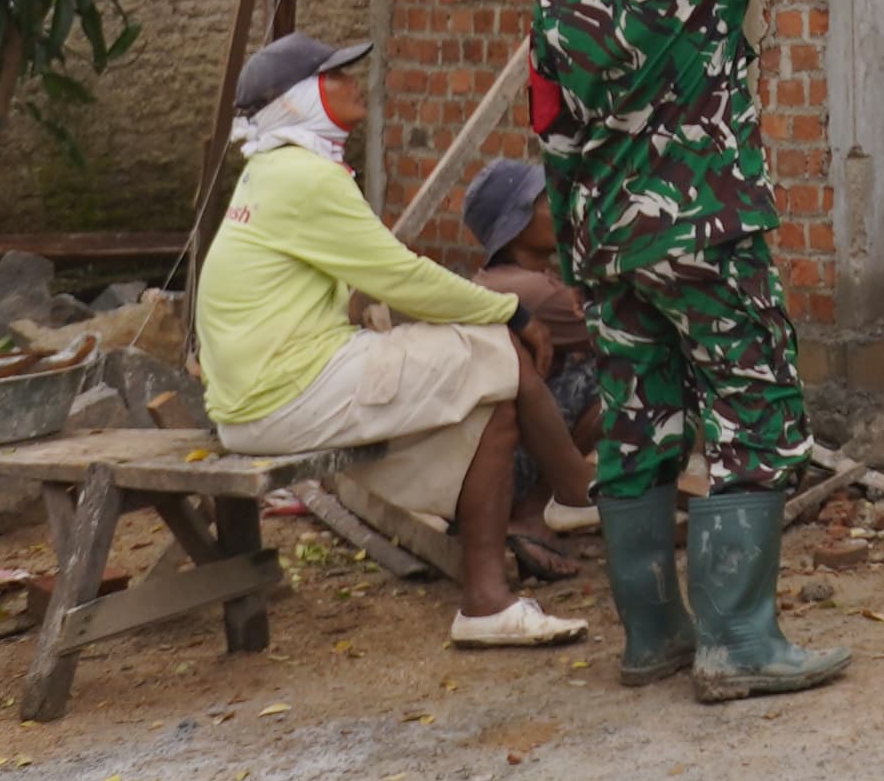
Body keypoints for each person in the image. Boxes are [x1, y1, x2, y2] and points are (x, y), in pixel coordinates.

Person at [534, 0, 884, 701]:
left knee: (638, 426)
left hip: (609, 247)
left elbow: (554, 135)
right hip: (704, 235)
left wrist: (577, 253)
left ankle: (652, 636)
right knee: (754, 417)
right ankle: (738, 641)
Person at [198, 34, 595, 648]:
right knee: (495, 344)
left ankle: (488, 602)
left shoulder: (273, 172)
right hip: (284, 393)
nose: (354, 83)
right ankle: (572, 491)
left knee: (490, 402)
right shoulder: (303, 177)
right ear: (300, 99)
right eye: (336, 76)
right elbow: (402, 278)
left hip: (265, 396)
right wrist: (511, 311)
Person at [465, 156, 603, 570]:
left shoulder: (504, 280)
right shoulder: (534, 292)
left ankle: (534, 505)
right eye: (546, 200)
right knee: (630, 371)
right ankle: (527, 510)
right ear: (517, 224)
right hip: (504, 467)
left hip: (486, 462)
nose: (561, 206)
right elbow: (627, 329)